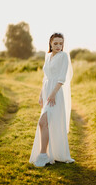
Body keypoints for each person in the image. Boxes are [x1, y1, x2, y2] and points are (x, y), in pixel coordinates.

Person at [29, 33, 74, 167]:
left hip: (55, 94)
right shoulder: (47, 56)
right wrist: (41, 95)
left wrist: (53, 94)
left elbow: (61, 78)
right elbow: (45, 78)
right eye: (56, 43)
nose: (58, 46)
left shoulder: (64, 56)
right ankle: (49, 153)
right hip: (47, 92)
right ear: (50, 43)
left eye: (61, 43)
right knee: (47, 123)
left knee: (43, 122)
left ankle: (43, 155)